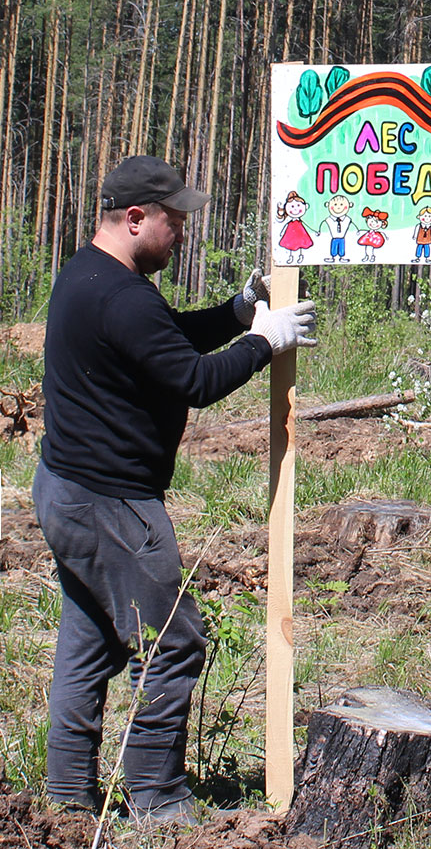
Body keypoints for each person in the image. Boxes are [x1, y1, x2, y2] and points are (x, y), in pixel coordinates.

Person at [32, 156, 317, 825]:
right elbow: (193, 380)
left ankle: (68, 794)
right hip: (111, 504)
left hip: (67, 490)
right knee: (174, 639)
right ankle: (158, 797)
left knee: (92, 636)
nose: (182, 232)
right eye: (174, 221)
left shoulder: (93, 275)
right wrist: (262, 343)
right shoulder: (121, 294)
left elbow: (161, 343)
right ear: (136, 218)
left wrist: (236, 312)